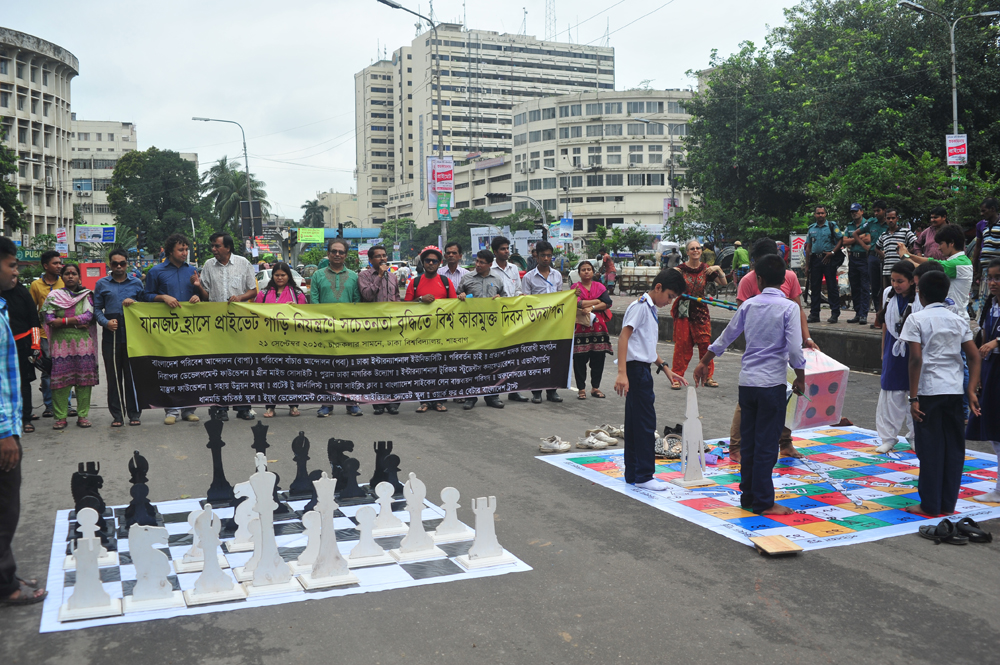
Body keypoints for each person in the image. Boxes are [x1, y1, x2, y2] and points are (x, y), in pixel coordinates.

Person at [694, 254, 806, 516]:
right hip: (772, 384)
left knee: (750, 443)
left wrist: (704, 361)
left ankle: (748, 496)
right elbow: (794, 349)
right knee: (766, 445)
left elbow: (726, 336)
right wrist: (801, 377)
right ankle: (764, 502)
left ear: (759, 279)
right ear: (785, 280)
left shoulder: (749, 306)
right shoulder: (789, 308)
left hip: (748, 384)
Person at [730, 238, 818, 463]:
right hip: (760, 352)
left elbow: (798, 310)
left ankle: (785, 442)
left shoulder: (788, 276)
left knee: (787, 395)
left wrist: (806, 338)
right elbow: (740, 321)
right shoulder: (748, 282)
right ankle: (736, 446)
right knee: (749, 401)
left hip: (785, 348)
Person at [900, 270, 981, 517]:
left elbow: (916, 359)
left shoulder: (916, 319)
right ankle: (947, 504)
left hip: (929, 391)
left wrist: (913, 397)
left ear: (920, 294)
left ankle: (930, 504)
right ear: (946, 293)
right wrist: (971, 390)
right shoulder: (958, 319)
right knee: (954, 449)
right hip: (954, 391)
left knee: (930, 449)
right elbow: (974, 356)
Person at [0, 236, 47, 607]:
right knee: (5, 508)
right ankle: (6, 587)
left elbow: (33, 323)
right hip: (2, 428)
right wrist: (5, 432)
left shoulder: (10, 301)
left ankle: (7, 573)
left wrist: (34, 347)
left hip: (10, 416)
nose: (17, 272)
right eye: (12, 265)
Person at [613, 269, 688, 491]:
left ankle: (633, 473)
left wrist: (665, 368)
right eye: (670, 296)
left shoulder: (649, 308)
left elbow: (645, 346)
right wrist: (622, 372)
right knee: (645, 424)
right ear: (658, 287)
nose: (669, 301)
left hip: (641, 369)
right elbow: (623, 338)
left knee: (635, 425)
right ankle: (644, 475)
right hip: (636, 371)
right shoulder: (640, 307)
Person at [193, 232, 258, 422]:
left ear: (228, 248)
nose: (213, 249)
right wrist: (198, 286)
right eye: (212, 246)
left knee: (241, 366)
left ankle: (243, 407)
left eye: (217, 246)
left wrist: (240, 297)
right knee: (218, 367)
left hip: (240, 324)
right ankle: (220, 408)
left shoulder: (243, 263)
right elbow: (206, 296)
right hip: (216, 325)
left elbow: (253, 290)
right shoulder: (208, 265)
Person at [142, 233, 201, 425]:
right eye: (180, 249)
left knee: (190, 369)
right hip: (166, 328)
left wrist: (197, 296)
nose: (184, 253)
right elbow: (146, 296)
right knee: (170, 368)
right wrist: (162, 297)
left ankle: (189, 409)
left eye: (186, 249)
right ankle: (172, 410)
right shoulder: (156, 272)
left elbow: (200, 296)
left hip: (189, 328)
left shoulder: (191, 271)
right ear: (170, 251)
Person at [40, 264, 99, 430]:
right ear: (62, 277)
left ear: (79, 277)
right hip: (60, 345)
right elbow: (49, 319)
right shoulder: (54, 295)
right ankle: (60, 417)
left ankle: (82, 416)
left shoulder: (86, 295)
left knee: (84, 381)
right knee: (60, 381)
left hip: (83, 344)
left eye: (74, 273)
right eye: (67, 273)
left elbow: (88, 316)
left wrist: (62, 321)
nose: (70, 276)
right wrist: (74, 323)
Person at [93, 248, 145, 427]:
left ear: (127, 264)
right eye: (115, 263)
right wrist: (105, 323)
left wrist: (135, 303)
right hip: (111, 334)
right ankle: (117, 415)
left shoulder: (136, 283)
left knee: (132, 377)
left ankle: (134, 413)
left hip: (132, 335)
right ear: (110, 264)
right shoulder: (102, 284)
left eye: (122, 263)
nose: (119, 267)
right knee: (114, 377)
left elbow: (145, 307)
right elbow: (97, 308)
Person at [311, 238, 362, 417]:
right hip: (324, 329)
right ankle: (327, 404)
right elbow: (314, 301)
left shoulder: (354, 276)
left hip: (347, 330)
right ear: (328, 254)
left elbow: (357, 302)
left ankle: (351, 403)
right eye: (334, 251)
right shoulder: (318, 275)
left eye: (341, 252)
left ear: (346, 255)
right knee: (326, 368)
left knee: (348, 368)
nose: (337, 254)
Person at [965, 258, 1000, 503]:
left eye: (998, 277)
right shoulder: (990, 306)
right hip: (991, 372)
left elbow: (991, 341)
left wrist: (996, 342)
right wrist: (978, 380)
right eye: (990, 278)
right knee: (995, 432)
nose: (993, 282)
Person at [670, 239, 727, 389]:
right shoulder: (681, 270)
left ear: (701, 251)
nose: (695, 251)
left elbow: (723, 283)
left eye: (698, 248)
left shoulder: (706, 269)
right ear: (687, 252)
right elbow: (666, 283)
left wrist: (718, 269)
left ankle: (708, 376)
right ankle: (676, 377)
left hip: (701, 310)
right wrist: (671, 272)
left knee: (705, 344)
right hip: (684, 310)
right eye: (692, 249)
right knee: (682, 345)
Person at [405, 246, 456, 412]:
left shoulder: (446, 282)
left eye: (434, 261)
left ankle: (440, 400)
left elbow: (454, 306)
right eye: (428, 260)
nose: (431, 263)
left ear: (439, 263)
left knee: (441, 368)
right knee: (422, 368)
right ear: (423, 262)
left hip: (442, 333)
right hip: (420, 334)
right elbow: (405, 307)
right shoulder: (415, 282)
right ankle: (425, 401)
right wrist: (420, 299)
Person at [874, 261, 917, 454]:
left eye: (900, 281)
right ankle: (888, 437)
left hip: (913, 348)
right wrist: (884, 349)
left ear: (912, 281)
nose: (896, 285)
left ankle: (915, 435)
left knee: (914, 392)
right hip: (893, 348)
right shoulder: (888, 294)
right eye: (893, 280)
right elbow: (885, 323)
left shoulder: (919, 298)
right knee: (891, 392)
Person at [456, 250, 507, 410]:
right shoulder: (467, 278)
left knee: (491, 364)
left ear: (490, 264)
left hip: (491, 329)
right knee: (472, 363)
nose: (478, 265)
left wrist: (500, 299)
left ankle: (492, 396)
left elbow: (506, 299)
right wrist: (460, 296)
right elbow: (455, 298)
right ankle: (470, 397)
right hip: (471, 329)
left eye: (482, 262)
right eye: (477, 261)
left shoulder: (497, 279)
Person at [255, 263, 307, 418]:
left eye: (283, 275)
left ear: (288, 276)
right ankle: (270, 407)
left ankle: (293, 405)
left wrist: (295, 308)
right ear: (273, 276)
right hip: (269, 340)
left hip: (291, 341)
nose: (279, 278)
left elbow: (305, 316)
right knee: (270, 374)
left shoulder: (297, 294)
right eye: (277, 275)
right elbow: (256, 314)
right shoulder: (263, 294)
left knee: (291, 373)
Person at [29, 250, 72, 418]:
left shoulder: (65, 282)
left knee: (65, 369)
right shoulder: (36, 285)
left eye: (60, 263)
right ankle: (49, 405)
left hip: (64, 332)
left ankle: (67, 404)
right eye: (55, 263)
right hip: (44, 335)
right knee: (48, 370)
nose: (59, 266)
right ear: (46, 266)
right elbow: (32, 310)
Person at [900, 224, 973, 323]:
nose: (939, 248)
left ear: (951, 243)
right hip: (953, 316)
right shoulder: (961, 260)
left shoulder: (956, 264)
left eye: (941, 244)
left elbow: (923, 268)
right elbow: (931, 261)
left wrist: (904, 256)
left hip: (953, 318)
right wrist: (910, 255)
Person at [521, 241, 565, 405]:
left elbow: (561, 297)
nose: (546, 258)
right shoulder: (528, 277)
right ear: (536, 256)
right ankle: (536, 392)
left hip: (553, 323)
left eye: (549, 255)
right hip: (536, 324)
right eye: (543, 256)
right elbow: (525, 302)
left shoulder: (557, 275)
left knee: (553, 358)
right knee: (537, 358)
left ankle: (552, 391)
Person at [359, 245, 401, 415]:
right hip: (373, 328)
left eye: (384, 255)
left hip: (391, 328)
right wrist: (380, 276)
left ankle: (392, 401)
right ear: (370, 260)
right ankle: (377, 402)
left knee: (393, 365)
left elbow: (397, 298)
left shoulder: (393, 277)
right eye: (378, 256)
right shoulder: (364, 276)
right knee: (375, 366)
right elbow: (367, 295)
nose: (382, 259)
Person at [490, 236, 528, 404]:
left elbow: (517, 289)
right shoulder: (490, 269)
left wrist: (521, 296)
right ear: (495, 252)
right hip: (496, 318)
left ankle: (514, 390)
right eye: (503, 249)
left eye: (507, 248)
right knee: (496, 357)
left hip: (512, 317)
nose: (506, 251)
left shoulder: (514, 268)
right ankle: (493, 394)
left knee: (514, 355)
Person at [2, 273, 39, 434]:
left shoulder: (22, 293)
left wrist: (35, 345)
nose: (13, 277)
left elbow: (34, 320)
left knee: (23, 382)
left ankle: (26, 418)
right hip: (2, 345)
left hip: (22, 343)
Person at [571, 260, 613, 400]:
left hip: (598, 329)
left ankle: (595, 387)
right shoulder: (575, 288)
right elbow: (577, 303)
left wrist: (591, 307)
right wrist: (597, 301)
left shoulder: (599, 286)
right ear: (579, 273)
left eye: (589, 269)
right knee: (579, 360)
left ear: (593, 271)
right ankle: (581, 389)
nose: (586, 272)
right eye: (583, 270)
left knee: (598, 359)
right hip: (580, 329)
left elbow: (608, 302)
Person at [804, 205, 844, 324]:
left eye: (822, 213)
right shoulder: (811, 228)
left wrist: (833, 253)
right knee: (815, 287)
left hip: (828, 259)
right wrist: (807, 265)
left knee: (831, 287)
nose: (820, 215)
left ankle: (835, 313)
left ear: (825, 214)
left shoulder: (831, 226)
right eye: (818, 213)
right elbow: (808, 247)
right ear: (815, 215)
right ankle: (814, 314)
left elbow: (840, 240)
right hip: (815, 260)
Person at [854, 201, 888, 321]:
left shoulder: (890, 222)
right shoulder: (871, 223)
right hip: (873, 257)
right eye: (874, 211)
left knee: (886, 287)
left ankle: (887, 315)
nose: (876, 213)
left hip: (887, 257)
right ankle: (878, 316)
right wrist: (865, 246)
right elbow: (856, 233)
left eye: (878, 211)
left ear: (884, 210)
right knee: (874, 287)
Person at [874, 209, 917, 293]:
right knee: (888, 294)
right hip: (887, 271)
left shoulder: (905, 232)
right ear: (885, 219)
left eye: (893, 218)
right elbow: (876, 248)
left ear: (897, 218)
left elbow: (916, 244)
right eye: (888, 218)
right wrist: (883, 256)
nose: (891, 220)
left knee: (902, 293)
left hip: (901, 271)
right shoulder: (884, 235)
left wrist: (907, 254)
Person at [843, 203, 872, 324]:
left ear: (861, 211)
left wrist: (852, 240)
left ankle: (863, 314)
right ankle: (857, 313)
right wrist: (859, 238)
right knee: (854, 287)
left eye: (856, 211)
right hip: (853, 259)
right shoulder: (849, 226)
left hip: (864, 258)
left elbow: (868, 239)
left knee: (864, 287)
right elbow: (844, 241)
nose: (854, 213)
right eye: (852, 212)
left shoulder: (868, 223)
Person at [972, 197, 1000, 316]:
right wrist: (975, 266)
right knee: (985, 300)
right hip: (986, 270)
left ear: (992, 209)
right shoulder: (982, 225)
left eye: (984, 211)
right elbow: (978, 247)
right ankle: (985, 322)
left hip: (998, 270)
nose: (982, 214)